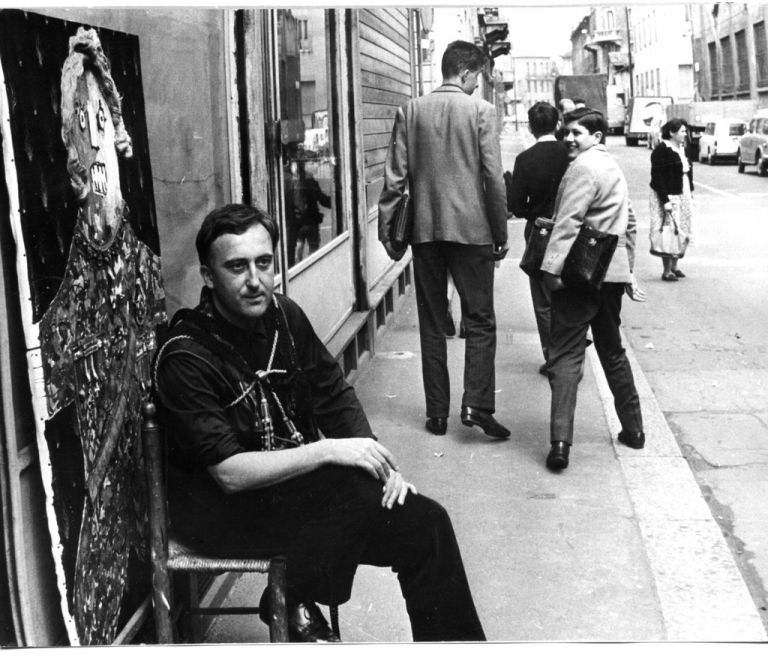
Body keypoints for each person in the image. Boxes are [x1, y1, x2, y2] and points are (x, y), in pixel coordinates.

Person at [154, 203, 485, 643]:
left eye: (264, 263)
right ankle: (296, 596)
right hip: (222, 514)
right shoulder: (186, 357)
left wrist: (381, 464)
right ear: (209, 276)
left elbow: (333, 394)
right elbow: (230, 474)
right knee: (353, 483)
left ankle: (298, 594)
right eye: (237, 267)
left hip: (300, 502)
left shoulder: (283, 317)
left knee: (426, 524)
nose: (255, 281)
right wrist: (332, 450)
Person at [378, 40, 510, 439]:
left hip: (426, 233)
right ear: (467, 73)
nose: (476, 86)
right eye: (477, 79)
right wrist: (499, 232)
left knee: (432, 323)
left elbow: (394, 179)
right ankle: (477, 404)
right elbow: (493, 179)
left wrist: (390, 236)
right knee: (480, 319)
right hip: (473, 233)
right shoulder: (482, 112)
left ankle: (437, 414)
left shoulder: (411, 110)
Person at [540, 107, 647, 471]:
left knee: (566, 355)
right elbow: (629, 222)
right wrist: (626, 270)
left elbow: (567, 223)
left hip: (579, 275)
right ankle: (634, 429)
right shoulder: (613, 167)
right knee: (612, 350)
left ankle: (559, 444)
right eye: (566, 132)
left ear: (597, 137)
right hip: (610, 277)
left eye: (577, 133)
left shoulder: (583, 167)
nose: (569, 138)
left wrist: (551, 269)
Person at [507, 101, 570, 375]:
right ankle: (570, 353)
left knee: (543, 300)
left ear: (531, 128)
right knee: (569, 294)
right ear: (557, 124)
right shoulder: (571, 154)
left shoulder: (525, 159)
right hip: (571, 229)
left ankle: (552, 356)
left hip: (539, 232)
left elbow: (518, 207)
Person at [649, 118, 694, 281]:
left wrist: (691, 193)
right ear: (671, 133)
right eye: (682, 131)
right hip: (668, 193)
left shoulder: (683, 148)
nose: (685, 134)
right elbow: (657, 177)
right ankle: (666, 270)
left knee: (681, 228)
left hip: (683, 191)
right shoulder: (661, 151)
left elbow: (688, 172)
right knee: (669, 229)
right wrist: (665, 200)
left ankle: (675, 266)